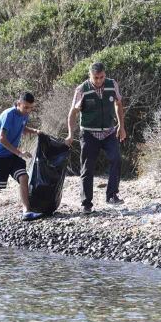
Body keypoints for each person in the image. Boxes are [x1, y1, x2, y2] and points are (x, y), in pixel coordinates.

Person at [65, 62, 127, 214]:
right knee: (87, 167)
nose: (99, 80)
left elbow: (118, 104)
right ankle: (87, 203)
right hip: (89, 133)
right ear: (90, 76)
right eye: (96, 78)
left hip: (109, 131)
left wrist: (121, 126)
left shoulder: (112, 85)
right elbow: (73, 112)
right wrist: (71, 134)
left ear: (105, 74)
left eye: (101, 77)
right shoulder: (81, 89)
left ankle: (112, 195)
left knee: (116, 159)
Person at [0, 92, 43, 229]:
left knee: (24, 177)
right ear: (18, 104)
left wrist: (35, 131)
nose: (28, 110)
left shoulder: (24, 114)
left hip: (12, 155)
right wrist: (19, 152)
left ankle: (26, 211)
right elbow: (2, 138)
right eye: (26, 107)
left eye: (30, 108)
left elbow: (22, 128)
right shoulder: (8, 115)